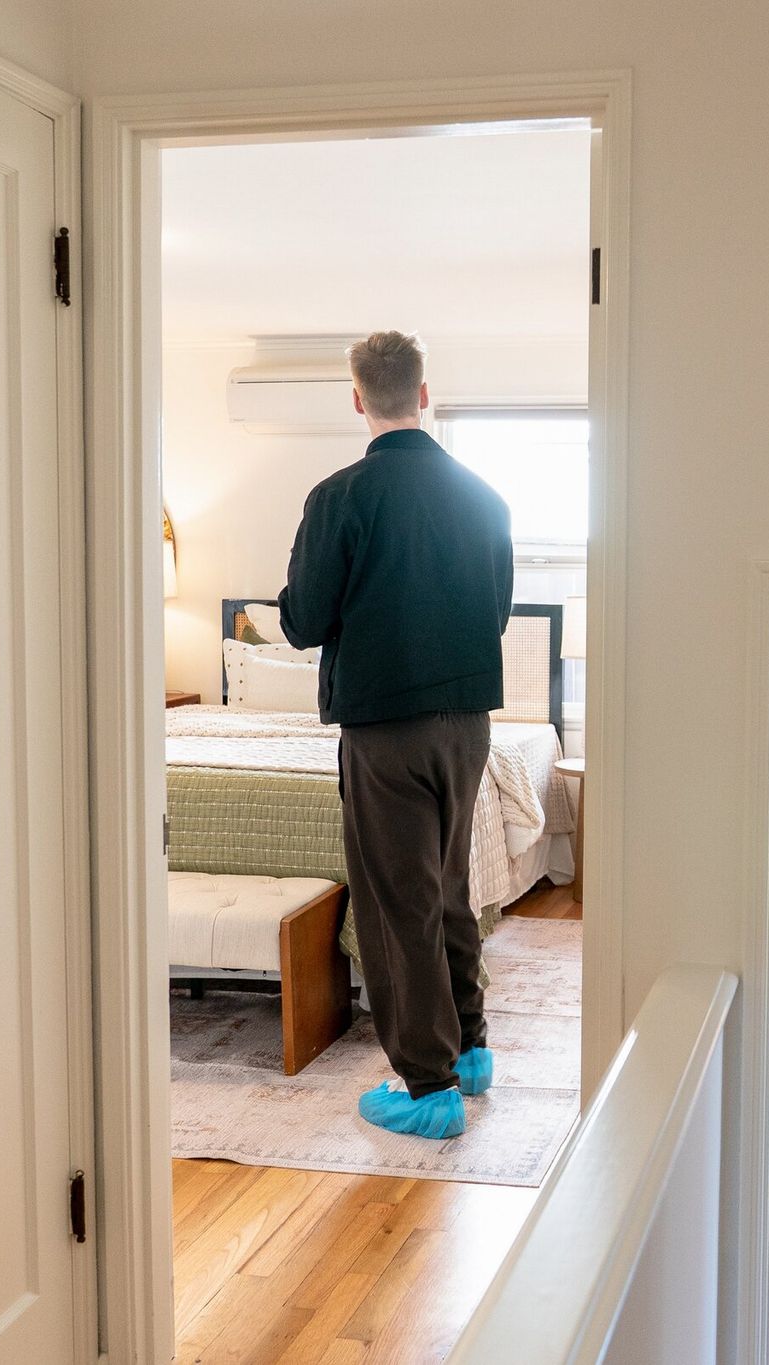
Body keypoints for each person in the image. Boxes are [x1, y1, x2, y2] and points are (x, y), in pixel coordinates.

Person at [278, 331, 513, 1140]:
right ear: (423, 393)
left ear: (356, 398)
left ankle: (427, 1086)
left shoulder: (339, 498)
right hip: (469, 725)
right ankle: (471, 1047)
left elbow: (303, 622)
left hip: (385, 730)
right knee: (447, 883)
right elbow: (497, 610)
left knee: (395, 902)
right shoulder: (485, 498)